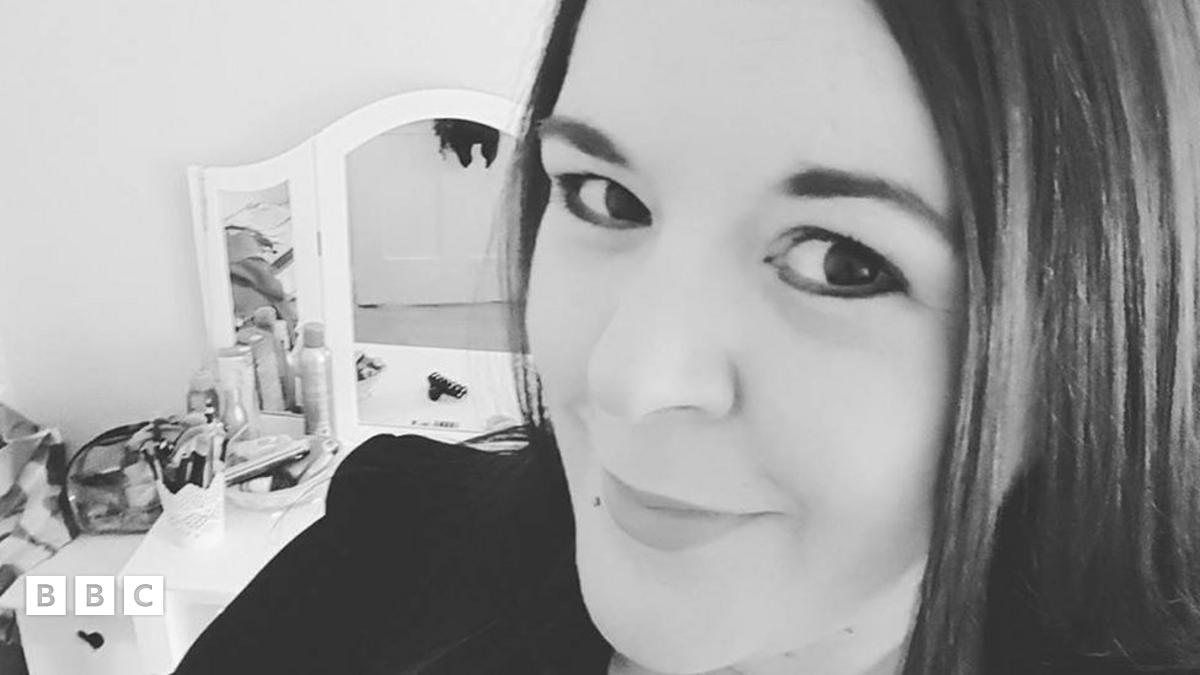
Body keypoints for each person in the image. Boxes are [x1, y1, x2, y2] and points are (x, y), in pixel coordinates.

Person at [172, 1, 1200, 673]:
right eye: (605, 197)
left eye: (842, 262)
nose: (626, 377)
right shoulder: (380, 571)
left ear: (1094, 340)